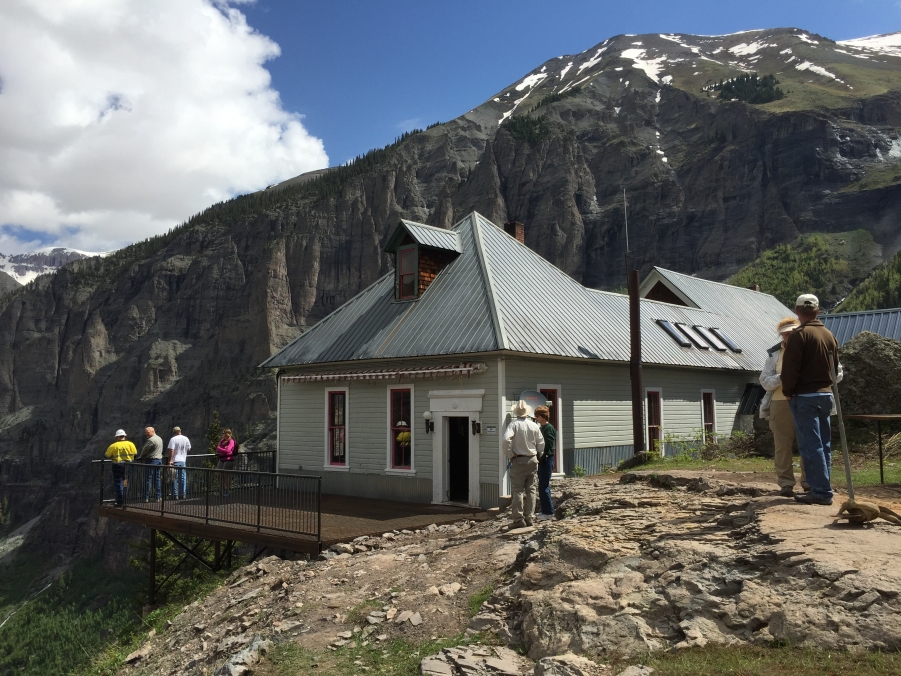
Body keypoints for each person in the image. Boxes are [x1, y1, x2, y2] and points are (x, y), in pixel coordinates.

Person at [781, 294, 842, 506]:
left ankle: (821, 492)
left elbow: (790, 368)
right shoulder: (828, 335)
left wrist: (788, 390)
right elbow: (834, 368)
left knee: (810, 445)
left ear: (797, 311)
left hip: (804, 396)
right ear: (817, 311)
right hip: (826, 395)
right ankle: (824, 487)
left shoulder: (800, 335)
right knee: (824, 444)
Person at [759, 318, 808, 497]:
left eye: (793, 333)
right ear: (781, 336)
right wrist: (783, 376)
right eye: (786, 334)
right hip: (780, 403)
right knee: (782, 445)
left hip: (806, 400)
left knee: (808, 443)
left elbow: (836, 374)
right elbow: (765, 381)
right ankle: (786, 484)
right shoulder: (774, 354)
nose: (790, 336)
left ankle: (809, 483)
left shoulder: (811, 348)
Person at [503, 400, 545, 529]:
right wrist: (538, 455)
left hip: (519, 459)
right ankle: (529, 517)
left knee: (517, 490)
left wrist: (510, 454)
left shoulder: (513, 425)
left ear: (516, 412)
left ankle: (518, 519)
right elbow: (541, 443)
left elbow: (506, 440)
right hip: (532, 459)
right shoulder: (534, 425)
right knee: (531, 489)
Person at [533, 405, 556, 521]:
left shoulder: (548, 428)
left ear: (543, 416)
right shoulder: (541, 428)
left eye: (537, 416)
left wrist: (544, 455)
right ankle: (545, 511)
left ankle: (549, 512)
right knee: (542, 486)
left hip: (546, 459)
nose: (536, 417)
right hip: (543, 458)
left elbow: (549, 444)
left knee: (544, 486)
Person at [105, 429, 137, 507]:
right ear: (124, 436)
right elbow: (135, 454)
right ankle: (125, 500)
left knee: (119, 483)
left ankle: (120, 501)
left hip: (118, 466)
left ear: (117, 437)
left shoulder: (113, 446)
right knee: (126, 482)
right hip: (129, 465)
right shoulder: (131, 444)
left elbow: (107, 455)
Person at [136, 426, 163, 501]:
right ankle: (158, 497)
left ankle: (145, 497)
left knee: (148, 479)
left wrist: (141, 457)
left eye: (147, 432)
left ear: (152, 431)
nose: (146, 434)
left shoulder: (151, 440)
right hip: (159, 460)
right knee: (157, 479)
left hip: (151, 461)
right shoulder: (159, 438)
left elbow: (145, 450)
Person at [167, 426, 191, 500]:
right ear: (180, 431)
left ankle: (175, 494)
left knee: (174, 478)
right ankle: (183, 494)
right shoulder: (186, 438)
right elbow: (189, 449)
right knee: (183, 478)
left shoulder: (173, 439)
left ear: (174, 432)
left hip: (175, 460)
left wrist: (170, 460)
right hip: (183, 460)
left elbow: (171, 450)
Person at [216, 428, 237, 495]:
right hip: (221, 459)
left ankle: (227, 491)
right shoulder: (222, 441)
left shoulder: (231, 441)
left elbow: (228, 451)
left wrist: (221, 449)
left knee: (226, 476)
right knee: (220, 475)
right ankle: (221, 490)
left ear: (227, 434)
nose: (222, 435)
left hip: (228, 460)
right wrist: (223, 449)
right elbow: (217, 449)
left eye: (224, 433)